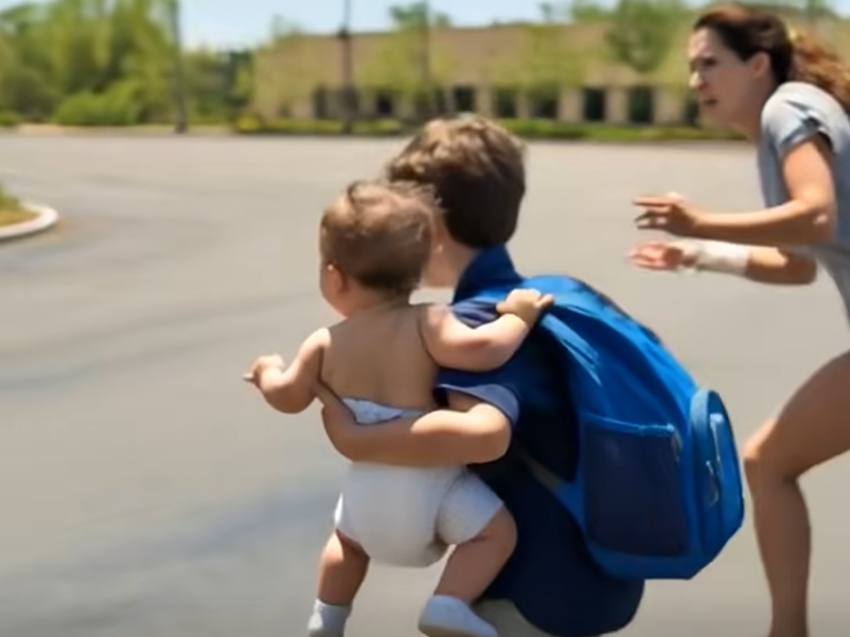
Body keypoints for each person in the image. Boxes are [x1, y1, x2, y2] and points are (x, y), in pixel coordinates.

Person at [315, 114, 646, 637]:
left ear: (433, 225)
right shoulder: (551, 291)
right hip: (599, 569)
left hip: (531, 589)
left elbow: (482, 435)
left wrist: (355, 437)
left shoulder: (472, 322)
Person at [245, 178, 554, 637]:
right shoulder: (428, 321)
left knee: (345, 546)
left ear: (334, 275)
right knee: (495, 534)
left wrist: (267, 372)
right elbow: (484, 349)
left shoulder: (323, 344)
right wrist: (519, 316)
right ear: (421, 269)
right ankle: (448, 604)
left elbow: (288, 398)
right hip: (434, 493)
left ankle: (327, 617)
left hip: (365, 500)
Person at [629, 4, 850, 636]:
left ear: (758, 65)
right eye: (692, 68)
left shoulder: (787, 110)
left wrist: (701, 222)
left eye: (709, 63)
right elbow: (796, 264)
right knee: (767, 463)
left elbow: (815, 216)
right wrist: (699, 254)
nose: (697, 79)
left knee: (767, 463)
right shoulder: (783, 125)